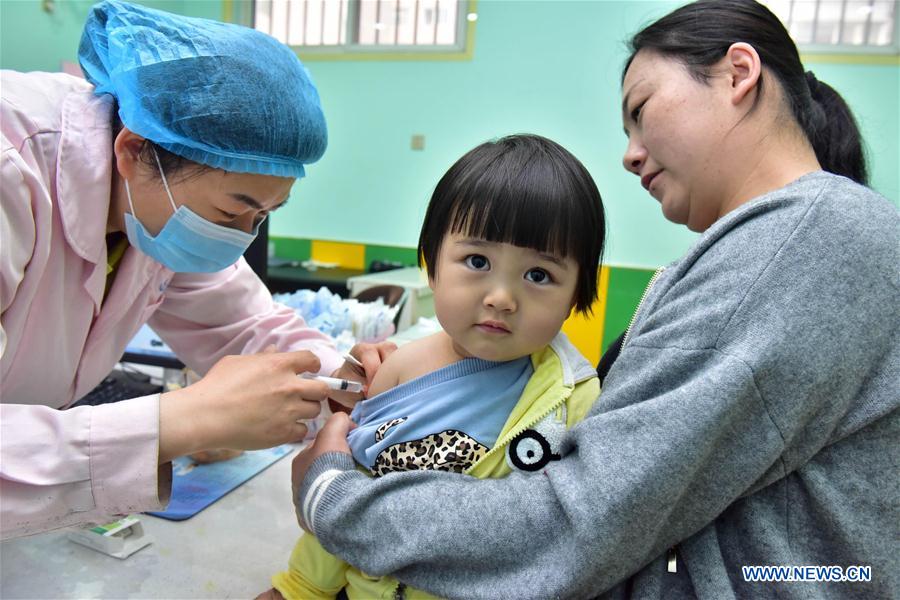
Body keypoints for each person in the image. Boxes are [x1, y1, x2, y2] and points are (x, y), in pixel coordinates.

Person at [290, 1, 899, 598]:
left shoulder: (806, 238)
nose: (630, 154)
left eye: (641, 110)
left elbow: (580, 520)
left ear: (738, 74)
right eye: (475, 262)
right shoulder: (775, 244)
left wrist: (335, 499)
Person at [0, 0, 391, 539]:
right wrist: (179, 420)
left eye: (264, 215)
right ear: (134, 152)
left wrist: (343, 377)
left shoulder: (153, 205)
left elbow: (242, 326)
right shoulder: (12, 172)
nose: (239, 237)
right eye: (231, 212)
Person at [261, 134, 606, 599]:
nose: (501, 298)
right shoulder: (400, 367)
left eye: (538, 275)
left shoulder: (573, 398)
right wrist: (301, 588)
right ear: (432, 266)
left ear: (576, 295)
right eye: (477, 260)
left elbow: (570, 532)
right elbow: (356, 485)